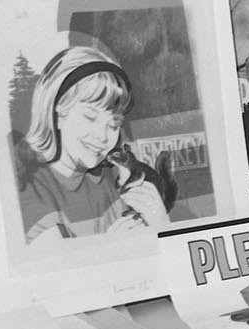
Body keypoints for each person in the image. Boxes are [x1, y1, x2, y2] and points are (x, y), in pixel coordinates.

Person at [16, 46, 170, 242]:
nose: (103, 136)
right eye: (90, 117)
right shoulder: (30, 188)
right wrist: (111, 249)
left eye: (114, 124)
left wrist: (162, 224)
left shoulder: (108, 177)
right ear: (57, 114)